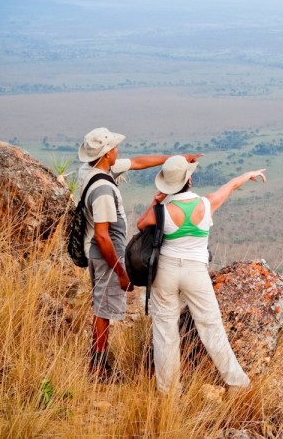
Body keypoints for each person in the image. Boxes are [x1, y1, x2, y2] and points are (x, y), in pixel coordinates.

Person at [77, 127, 200, 381]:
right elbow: (102, 236)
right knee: (103, 310)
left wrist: (174, 161)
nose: (117, 151)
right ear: (106, 154)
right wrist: (120, 273)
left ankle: (98, 362)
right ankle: (97, 368)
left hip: (102, 253)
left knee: (103, 307)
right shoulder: (102, 190)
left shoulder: (92, 170)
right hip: (104, 256)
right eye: (114, 148)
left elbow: (137, 162)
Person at [136, 155, 266, 394]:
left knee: (165, 330)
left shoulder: (162, 211)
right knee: (211, 326)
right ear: (190, 179)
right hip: (196, 272)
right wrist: (248, 175)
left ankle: (169, 392)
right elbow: (230, 186)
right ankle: (237, 383)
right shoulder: (206, 204)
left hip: (165, 271)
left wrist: (156, 201)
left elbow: (140, 224)